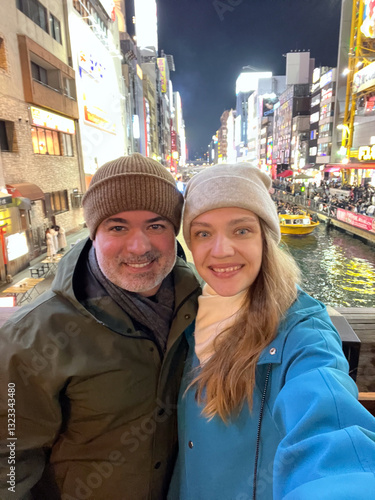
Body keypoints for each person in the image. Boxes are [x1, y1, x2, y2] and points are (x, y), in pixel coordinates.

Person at [0, 154, 202, 499]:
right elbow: (11, 463)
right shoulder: (29, 339)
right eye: (118, 227)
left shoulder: (205, 307)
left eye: (156, 225)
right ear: (94, 233)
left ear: (174, 232)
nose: (139, 247)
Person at [168, 164, 375, 499]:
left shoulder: (303, 331)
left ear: (266, 237)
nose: (220, 250)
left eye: (241, 231)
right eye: (203, 233)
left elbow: (328, 425)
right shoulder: (183, 313)